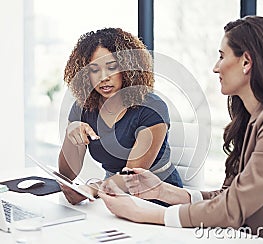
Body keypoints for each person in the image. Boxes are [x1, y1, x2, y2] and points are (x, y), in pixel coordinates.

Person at [98, 16, 263, 243]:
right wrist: (163, 192)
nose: (215, 67)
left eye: (222, 56)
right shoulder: (256, 119)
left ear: (246, 62)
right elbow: (231, 194)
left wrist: (148, 214)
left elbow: (232, 209)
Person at [59, 27, 183, 206]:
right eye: (94, 69)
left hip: (156, 197)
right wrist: (71, 134)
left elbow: (132, 177)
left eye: (112, 67)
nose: (103, 78)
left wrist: (93, 189)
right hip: (110, 193)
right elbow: (67, 174)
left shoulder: (152, 107)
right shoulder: (83, 108)